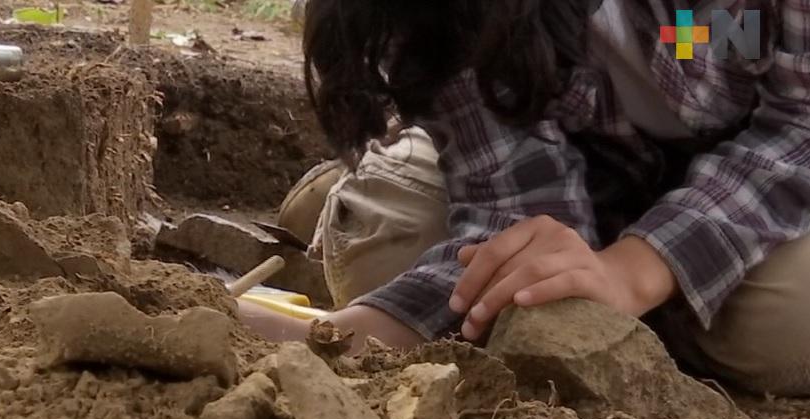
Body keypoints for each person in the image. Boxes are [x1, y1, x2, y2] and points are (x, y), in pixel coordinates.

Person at [241, 0, 810, 396]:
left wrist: (634, 270)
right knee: (390, 240)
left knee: (787, 328)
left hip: (745, 177)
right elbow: (511, 210)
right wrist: (329, 338)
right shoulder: (441, 15)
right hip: (537, 169)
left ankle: (643, 311)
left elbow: (800, 125)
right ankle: (366, 184)